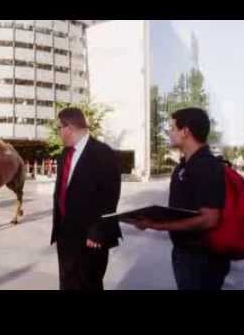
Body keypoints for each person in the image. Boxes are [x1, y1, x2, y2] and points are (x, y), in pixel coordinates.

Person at [131, 108, 229, 290]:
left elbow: (209, 219)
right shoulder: (184, 167)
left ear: (186, 132)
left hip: (202, 258)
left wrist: (155, 224)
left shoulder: (207, 167)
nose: (168, 132)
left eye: (172, 128)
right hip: (185, 253)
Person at [51, 107, 122, 290]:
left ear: (70, 127)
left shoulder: (103, 153)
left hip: (91, 237)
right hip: (66, 235)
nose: (59, 131)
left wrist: (98, 230)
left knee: (88, 285)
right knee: (67, 284)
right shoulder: (64, 155)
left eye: (60, 127)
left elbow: (110, 195)